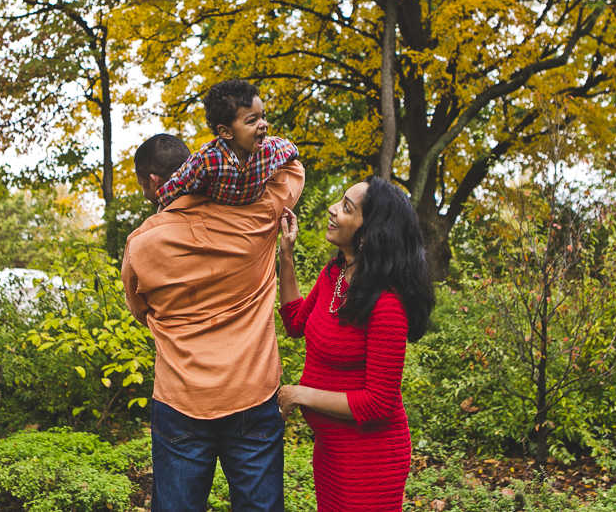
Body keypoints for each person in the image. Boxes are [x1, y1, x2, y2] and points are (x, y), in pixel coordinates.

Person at [123, 132, 305, 512]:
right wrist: (241, 143)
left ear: (155, 183)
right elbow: (292, 166)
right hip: (252, 392)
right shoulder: (257, 213)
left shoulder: (140, 245)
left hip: (181, 398)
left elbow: (141, 312)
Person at [276, 177, 435, 512]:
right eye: (340, 201)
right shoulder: (334, 275)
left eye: (346, 207)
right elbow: (295, 323)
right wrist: (286, 254)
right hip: (332, 452)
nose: (333, 210)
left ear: (369, 233)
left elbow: (378, 404)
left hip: (370, 460)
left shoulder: (387, 305)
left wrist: (301, 394)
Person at [156, 79, 298, 209]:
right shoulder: (207, 161)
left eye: (263, 116)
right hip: (215, 214)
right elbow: (178, 186)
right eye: (252, 121)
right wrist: (162, 208)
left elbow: (291, 150)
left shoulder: (271, 149)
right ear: (226, 132)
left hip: (252, 213)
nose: (264, 124)